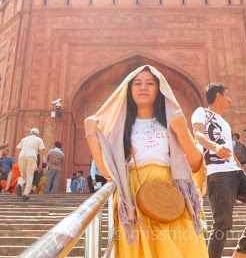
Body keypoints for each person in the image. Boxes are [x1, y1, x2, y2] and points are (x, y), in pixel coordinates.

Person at [84, 65, 207, 258]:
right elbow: (109, 173)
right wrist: (91, 134)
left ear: (159, 89)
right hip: (135, 197)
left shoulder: (172, 121)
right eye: (137, 83)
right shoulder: (119, 128)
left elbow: (195, 164)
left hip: (171, 196)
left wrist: (182, 132)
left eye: (150, 83)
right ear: (129, 89)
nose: (143, 87)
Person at [192, 82, 246, 258]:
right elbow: (198, 134)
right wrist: (214, 147)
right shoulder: (202, 112)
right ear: (218, 96)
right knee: (223, 222)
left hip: (235, 173)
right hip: (217, 173)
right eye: (227, 95)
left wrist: (241, 168)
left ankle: (242, 250)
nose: (230, 100)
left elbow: (229, 151)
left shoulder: (224, 123)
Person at [16, 128, 45, 201]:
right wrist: (40, 164)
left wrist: (19, 157)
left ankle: (19, 184)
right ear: (37, 134)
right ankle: (26, 193)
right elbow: (41, 152)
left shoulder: (24, 139)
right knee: (30, 175)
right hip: (32, 155)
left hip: (22, 155)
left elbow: (18, 148)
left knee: (23, 175)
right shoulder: (39, 140)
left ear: (30, 133)